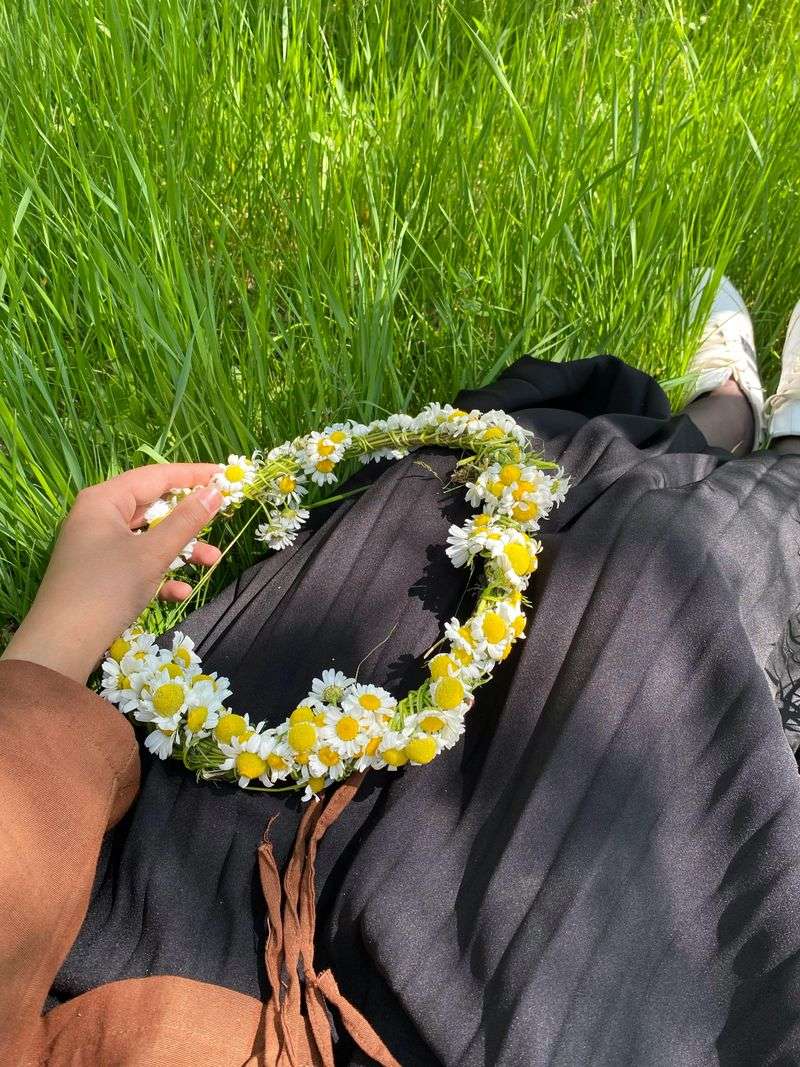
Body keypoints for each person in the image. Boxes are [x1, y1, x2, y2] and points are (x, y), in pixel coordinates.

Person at [3, 270, 800, 1066]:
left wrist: (56, 642)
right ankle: (776, 437)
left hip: (139, 908)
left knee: (427, 513)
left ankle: (720, 413)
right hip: (481, 1006)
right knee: (657, 595)